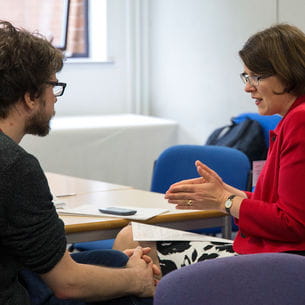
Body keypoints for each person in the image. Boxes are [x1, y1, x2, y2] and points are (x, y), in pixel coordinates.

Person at [113, 23, 305, 276]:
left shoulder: (299, 122)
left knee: (134, 243)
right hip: (278, 257)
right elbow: (282, 206)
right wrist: (226, 193)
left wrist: (224, 200)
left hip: (281, 265)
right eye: (246, 77)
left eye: (256, 77)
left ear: (287, 73)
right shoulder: (294, 118)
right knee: (133, 239)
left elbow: (293, 223)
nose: (248, 87)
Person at [0, 20, 160, 305]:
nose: (55, 98)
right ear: (29, 97)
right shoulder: (16, 167)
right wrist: (137, 279)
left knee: (110, 261)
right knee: (130, 289)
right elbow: (68, 284)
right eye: (53, 86)